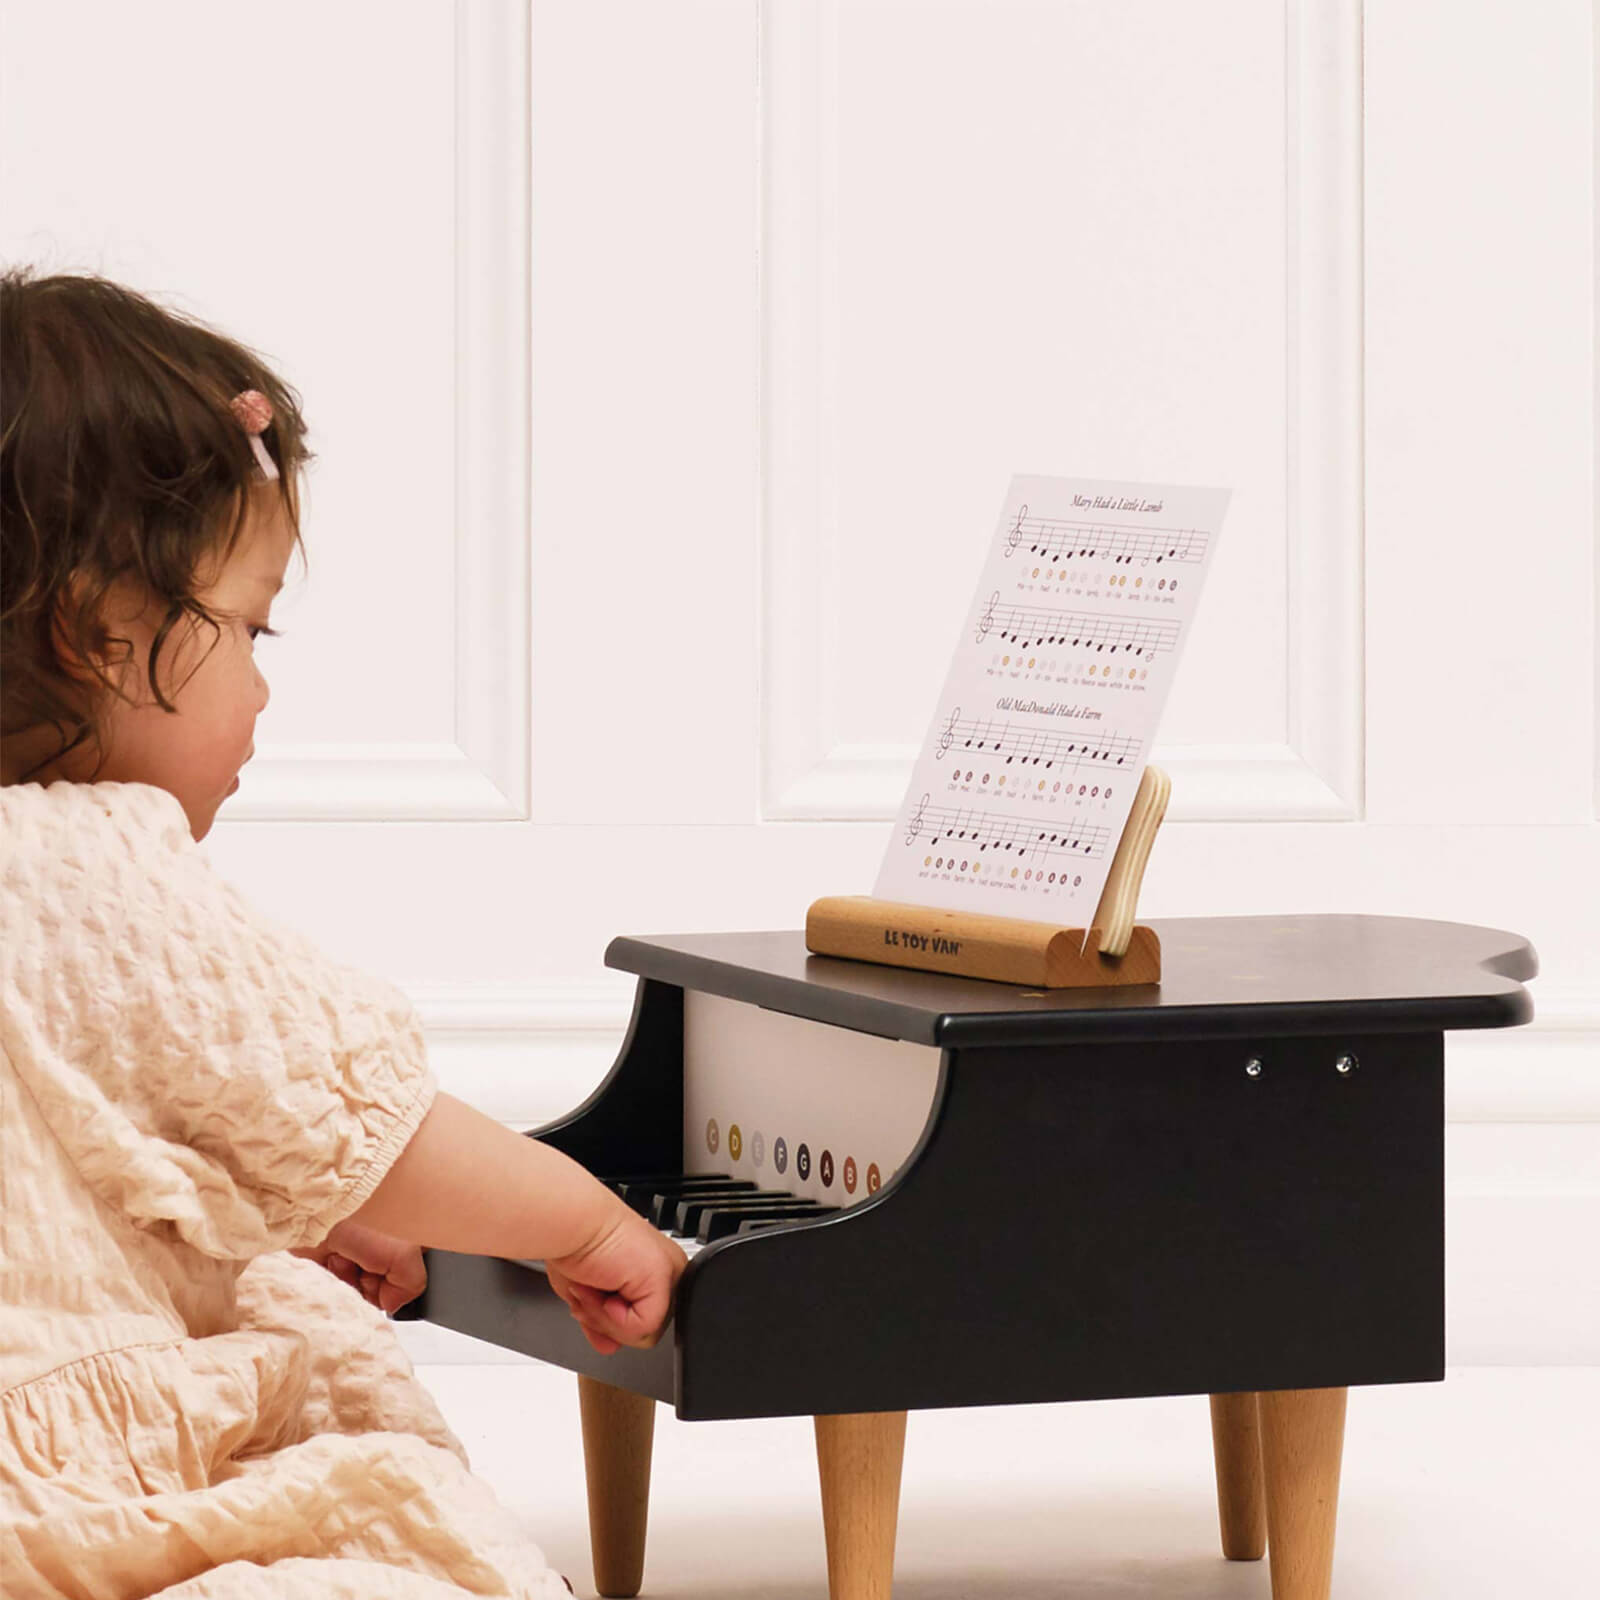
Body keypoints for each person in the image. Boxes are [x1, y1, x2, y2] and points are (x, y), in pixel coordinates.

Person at [0, 269, 687, 1599]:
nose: (262, 684)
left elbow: (92, 1164)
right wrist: (587, 1230)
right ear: (97, 636)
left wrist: (264, 1211)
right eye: (250, 630)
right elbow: (366, 1128)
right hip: (72, 1474)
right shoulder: (98, 866)